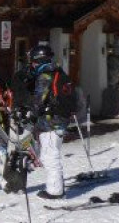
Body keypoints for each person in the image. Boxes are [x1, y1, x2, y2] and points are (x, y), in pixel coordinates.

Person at [27, 45, 70, 200]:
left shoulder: (45, 75)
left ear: (39, 61)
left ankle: (55, 191)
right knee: (50, 154)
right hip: (60, 119)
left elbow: (39, 99)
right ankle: (56, 187)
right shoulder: (59, 71)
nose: (32, 65)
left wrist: (30, 114)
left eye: (33, 62)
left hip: (52, 121)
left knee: (50, 156)